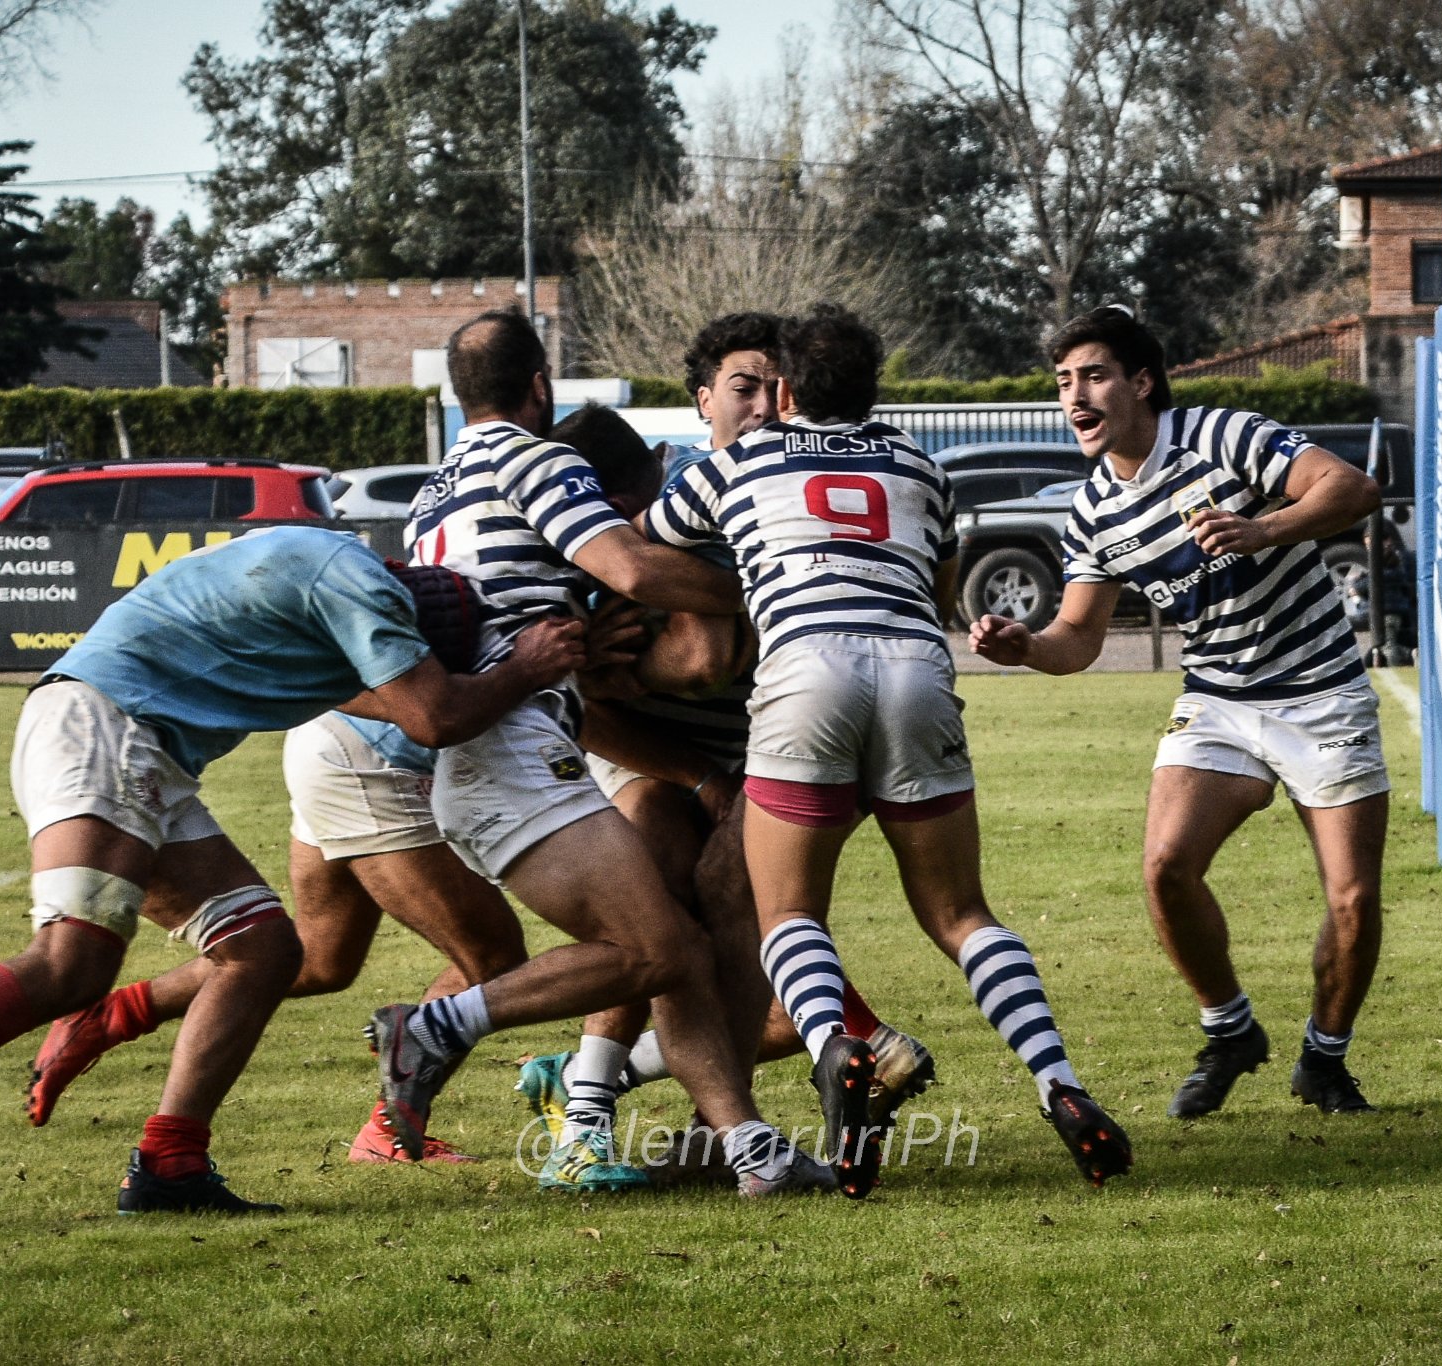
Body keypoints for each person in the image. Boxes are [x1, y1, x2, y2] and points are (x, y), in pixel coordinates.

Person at [0, 525, 586, 1233]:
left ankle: (171, 1163)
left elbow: (374, 697)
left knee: (266, 950)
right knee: (70, 961)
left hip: (137, 741)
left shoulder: (319, 571)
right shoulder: (361, 584)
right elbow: (432, 713)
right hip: (111, 727)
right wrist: (525, 668)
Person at [19, 407, 672, 1168]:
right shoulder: (551, 546)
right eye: (631, 509)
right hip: (373, 759)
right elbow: (429, 693)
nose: (633, 528)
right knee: (491, 951)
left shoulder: (507, 538)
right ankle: (389, 1131)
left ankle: (112, 1015)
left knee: (320, 958)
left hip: (339, 752)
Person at [649, 302, 1131, 1199]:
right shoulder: (920, 462)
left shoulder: (735, 459)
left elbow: (648, 544)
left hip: (805, 671)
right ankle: (1059, 1082)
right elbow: (941, 577)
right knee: (961, 915)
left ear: (785, 389)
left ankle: (838, 1050)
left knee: (787, 914)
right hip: (916, 667)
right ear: (876, 390)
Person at [372, 310, 834, 1198]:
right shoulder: (535, 457)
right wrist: (782, 585)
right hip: (514, 751)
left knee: (675, 945)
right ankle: (436, 1029)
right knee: (658, 949)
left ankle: (750, 1156)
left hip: (490, 752)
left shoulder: (437, 487)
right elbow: (632, 565)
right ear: (540, 387)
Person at [526, 313, 938, 1183]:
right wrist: (677, 748)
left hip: (788, 747)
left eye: (770, 386)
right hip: (666, 757)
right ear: (701, 398)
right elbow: (583, 704)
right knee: (652, 894)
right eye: (738, 387)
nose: (757, 403)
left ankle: (718, 1126)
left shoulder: (789, 485)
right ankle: (592, 1115)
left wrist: (717, 621)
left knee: (728, 913)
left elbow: (703, 655)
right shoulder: (630, 512)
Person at [969, 305, 1387, 1118]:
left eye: (1092, 375)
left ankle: (1324, 1060)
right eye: (1063, 382)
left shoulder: (1223, 437)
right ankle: (1230, 1029)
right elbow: (1079, 638)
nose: (1075, 396)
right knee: (1165, 865)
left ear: (1142, 382)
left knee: (1352, 900)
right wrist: (1025, 645)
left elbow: (1352, 488)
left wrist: (1260, 527)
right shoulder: (1093, 508)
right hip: (1219, 700)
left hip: (1322, 691)